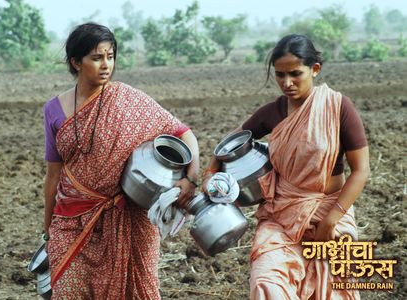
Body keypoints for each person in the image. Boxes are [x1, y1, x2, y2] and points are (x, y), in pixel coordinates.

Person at [202, 34, 370, 299]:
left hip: (330, 210)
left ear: (315, 69)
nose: (287, 83)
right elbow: (227, 145)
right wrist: (210, 174)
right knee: (267, 281)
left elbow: (361, 170)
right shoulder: (273, 112)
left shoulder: (338, 107)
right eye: (280, 75)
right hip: (281, 214)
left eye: (295, 74)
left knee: (334, 290)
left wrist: (332, 219)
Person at [42, 23, 199, 299]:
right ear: (76, 62)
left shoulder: (129, 100)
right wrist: (48, 230)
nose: (106, 65)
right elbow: (53, 175)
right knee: (67, 291)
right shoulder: (54, 111)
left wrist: (190, 178)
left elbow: (184, 134)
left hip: (130, 219)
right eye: (96, 57)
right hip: (72, 221)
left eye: (110, 56)